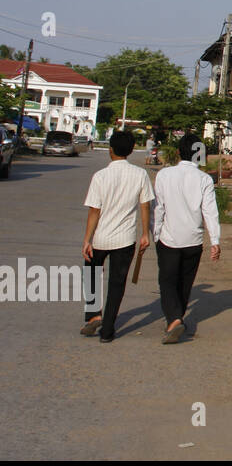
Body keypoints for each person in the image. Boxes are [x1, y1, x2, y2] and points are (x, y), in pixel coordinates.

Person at [81, 131, 154, 343]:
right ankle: (107, 331)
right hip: (125, 240)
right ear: (131, 151)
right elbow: (145, 205)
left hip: (100, 239)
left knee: (92, 276)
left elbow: (94, 211)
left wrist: (87, 239)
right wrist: (145, 234)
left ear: (110, 150)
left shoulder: (100, 176)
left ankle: (94, 315)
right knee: (117, 284)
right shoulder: (140, 175)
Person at [151, 133, 221, 344]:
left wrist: (155, 233)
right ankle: (177, 319)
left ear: (179, 152)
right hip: (194, 240)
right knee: (185, 282)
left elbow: (159, 208)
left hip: (169, 239)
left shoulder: (164, 175)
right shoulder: (204, 179)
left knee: (167, 281)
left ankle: (174, 320)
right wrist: (215, 240)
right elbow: (210, 211)